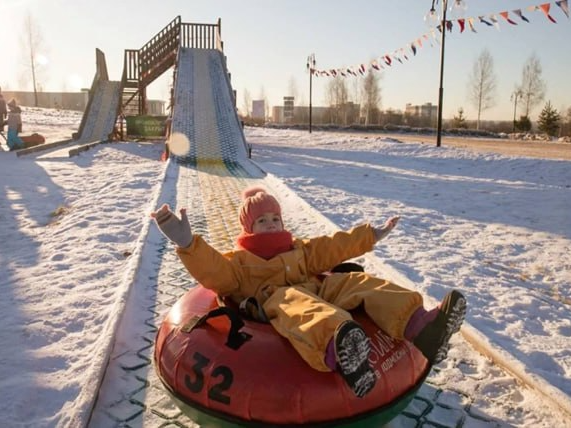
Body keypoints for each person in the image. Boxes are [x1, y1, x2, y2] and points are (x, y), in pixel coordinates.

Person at [151, 186, 466, 399]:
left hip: (318, 289)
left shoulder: (298, 249)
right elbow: (214, 272)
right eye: (262, 220)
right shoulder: (240, 264)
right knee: (293, 301)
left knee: (357, 282)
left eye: (275, 218)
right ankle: (341, 350)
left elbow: (332, 247)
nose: (272, 224)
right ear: (248, 228)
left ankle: (422, 328)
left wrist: (371, 235)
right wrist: (189, 244)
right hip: (276, 301)